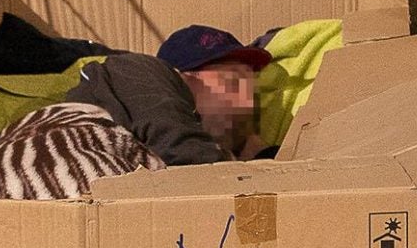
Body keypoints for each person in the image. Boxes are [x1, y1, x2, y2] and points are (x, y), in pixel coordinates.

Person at [71, 24, 271, 166]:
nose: (247, 102)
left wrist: (258, 155)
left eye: (252, 92)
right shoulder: (138, 70)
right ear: (182, 77)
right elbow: (183, 153)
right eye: (233, 83)